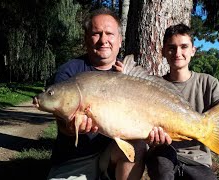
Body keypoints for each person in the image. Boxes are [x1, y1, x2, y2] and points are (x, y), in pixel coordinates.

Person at [47, 8, 146, 180]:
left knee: (138, 145)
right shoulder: (69, 72)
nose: (103, 40)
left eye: (109, 33)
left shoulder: (129, 74)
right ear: (86, 38)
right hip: (75, 159)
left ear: (120, 40)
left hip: (114, 153)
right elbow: (62, 124)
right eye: (96, 33)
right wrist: (71, 128)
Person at [145, 23, 219, 180]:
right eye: (171, 47)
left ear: (193, 50)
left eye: (184, 47)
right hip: (161, 152)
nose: (178, 52)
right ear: (164, 51)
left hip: (197, 159)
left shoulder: (209, 83)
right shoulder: (151, 85)